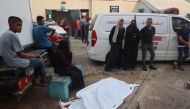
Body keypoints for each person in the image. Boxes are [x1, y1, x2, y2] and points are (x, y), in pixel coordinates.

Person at [0, 16, 47, 84]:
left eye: (21, 25)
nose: (20, 27)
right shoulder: (13, 35)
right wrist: (34, 55)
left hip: (8, 61)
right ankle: (43, 80)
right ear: (10, 24)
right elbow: (21, 54)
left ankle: (36, 78)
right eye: (18, 25)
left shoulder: (4, 34)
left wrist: (31, 55)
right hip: (15, 62)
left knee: (35, 60)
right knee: (40, 61)